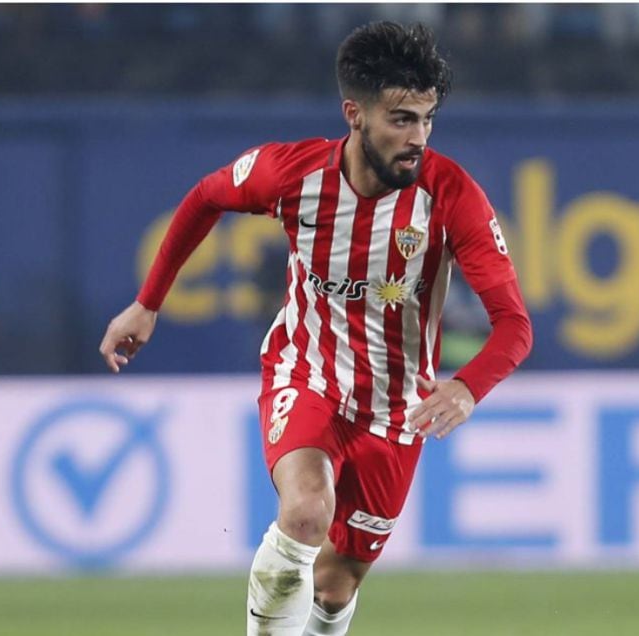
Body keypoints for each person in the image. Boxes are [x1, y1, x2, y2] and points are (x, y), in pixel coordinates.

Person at [99, 21, 532, 636]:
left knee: (334, 587)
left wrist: (466, 387)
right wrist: (148, 301)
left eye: (427, 119)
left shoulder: (451, 195)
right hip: (307, 374)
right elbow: (205, 197)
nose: (418, 138)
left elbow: (515, 325)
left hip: (395, 410)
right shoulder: (293, 175)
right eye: (401, 119)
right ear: (354, 114)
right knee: (305, 514)